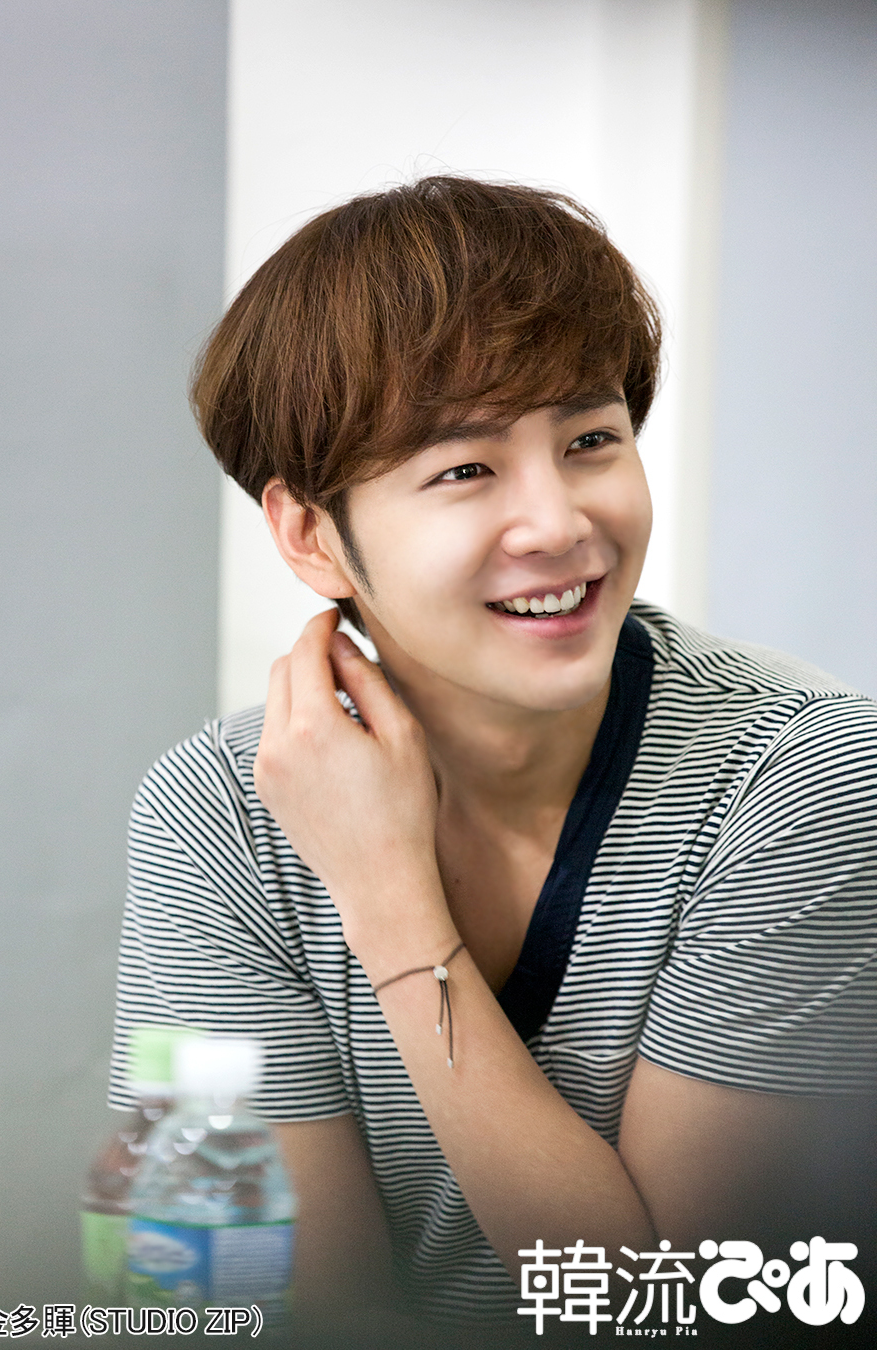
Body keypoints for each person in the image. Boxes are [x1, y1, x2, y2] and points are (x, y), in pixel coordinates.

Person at [109, 177, 876, 1340]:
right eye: (464, 469)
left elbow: (679, 1309)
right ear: (311, 535)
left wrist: (387, 899)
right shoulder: (217, 813)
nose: (559, 523)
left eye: (589, 441)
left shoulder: (806, 779)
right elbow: (239, 1300)